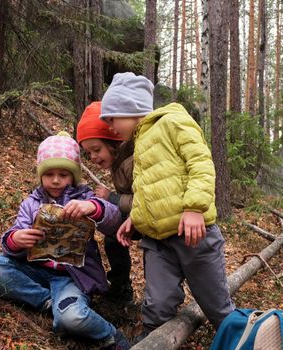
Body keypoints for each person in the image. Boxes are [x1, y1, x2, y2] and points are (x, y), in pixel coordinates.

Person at [100, 72, 235, 342]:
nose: (109, 126)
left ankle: (243, 339)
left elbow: (201, 163)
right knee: (157, 308)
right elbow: (150, 188)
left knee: (217, 307)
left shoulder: (172, 122)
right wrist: (136, 218)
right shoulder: (138, 144)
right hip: (158, 242)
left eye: (111, 117)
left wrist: (195, 208)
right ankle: (152, 342)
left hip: (194, 237)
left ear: (130, 109)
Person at [0, 131, 130, 350]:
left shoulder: (85, 198)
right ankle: (47, 301)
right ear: (41, 175)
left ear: (73, 176)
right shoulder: (31, 204)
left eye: (63, 174)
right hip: (34, 271)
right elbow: (13, 240)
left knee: (72, 318)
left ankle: (110, 334)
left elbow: (113, 220)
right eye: (49, 174)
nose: (56, 180)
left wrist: (94, 208)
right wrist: (15, 240)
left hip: (71, 277)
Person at [76, 101, 135, 303]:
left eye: (96, 149)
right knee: (113, 236)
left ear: (114, 142)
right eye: (88, 153)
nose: (93, 157)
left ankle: (125, 290)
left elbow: (144, 201)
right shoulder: (118, 161)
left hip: (152, 217)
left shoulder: (132, 163)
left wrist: (112, 198)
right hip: (137, 214)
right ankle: (120, 285)